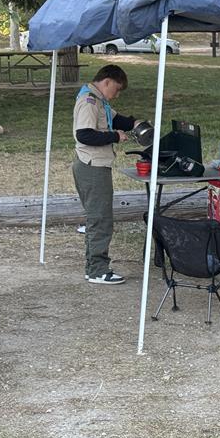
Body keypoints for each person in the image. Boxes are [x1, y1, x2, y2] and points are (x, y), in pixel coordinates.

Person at [72, 65, 140, 285]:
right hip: (92, 166)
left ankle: (93, 267)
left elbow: (116, 119)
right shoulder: (89, 101)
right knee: (100, 219)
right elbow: (84, 135)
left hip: (95, 165)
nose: (117, 95)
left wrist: (136, 123)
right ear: (107, 81)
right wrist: (114, 137)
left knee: (97, 218)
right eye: (116, 89)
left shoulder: (99, 100)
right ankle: (97, 270)